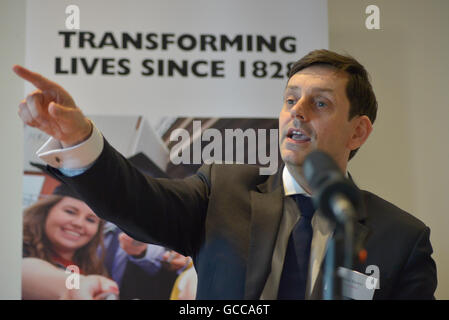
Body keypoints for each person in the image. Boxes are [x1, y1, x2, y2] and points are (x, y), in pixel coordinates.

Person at [13, 49, 437, 299]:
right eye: (291, 100)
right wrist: (79, 139)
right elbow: (135, 200)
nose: (298, 112)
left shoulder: (401, 237)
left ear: (358, 130)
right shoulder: (223, 192)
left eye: (320, 103)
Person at [22, 184, 118, 299]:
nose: (78, 223)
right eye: (70, 212)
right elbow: (23, 271)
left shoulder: (96, 269)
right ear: (46, 211)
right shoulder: (15, 250)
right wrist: (78, 287)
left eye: (90, 219)